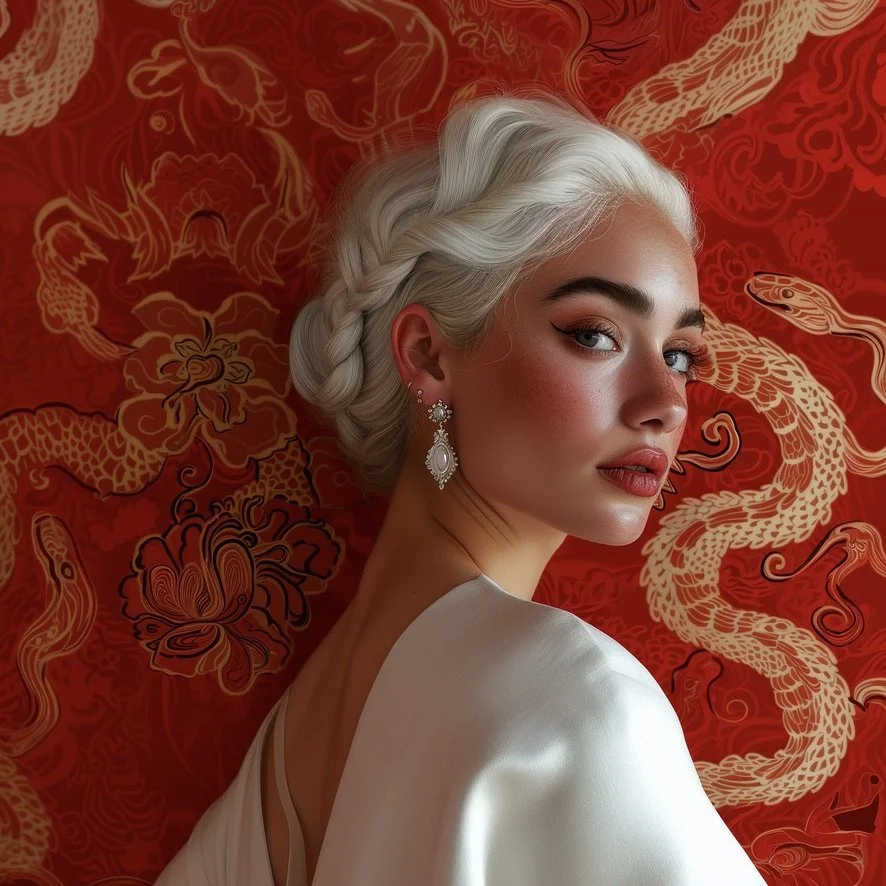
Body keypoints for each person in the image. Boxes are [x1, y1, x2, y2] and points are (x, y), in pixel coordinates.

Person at [156, 92, 767, 885]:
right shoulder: (574, 708)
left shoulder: (283, 744)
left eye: (681, 353)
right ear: (430, 356)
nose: (666, 402)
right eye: (595, 334)